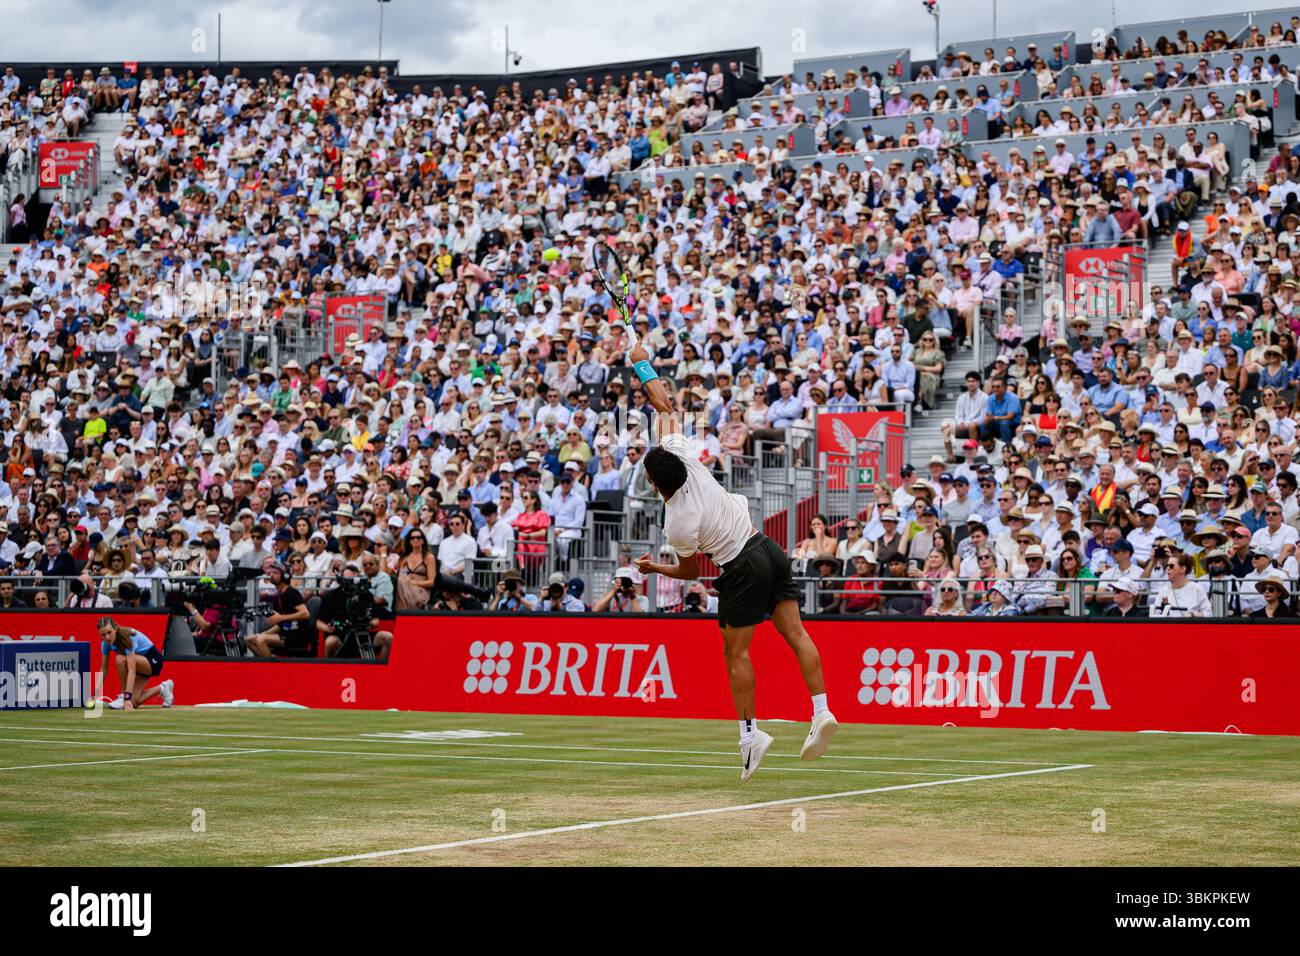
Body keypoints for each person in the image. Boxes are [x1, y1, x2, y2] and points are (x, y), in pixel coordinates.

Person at [628, 342, 835, 781]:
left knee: (735, 653)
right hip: (768, 547)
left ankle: (750, 734)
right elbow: (663, 401)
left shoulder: (677, 522)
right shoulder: (683, 455)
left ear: (652, 482)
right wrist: (641, 361)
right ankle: (821, 710)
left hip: (741, 567)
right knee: (795, 631)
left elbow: (689, 573)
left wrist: (653, 569)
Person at [95, 616, 173, 710]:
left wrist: (126, 697)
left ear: (115, 628)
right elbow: (104, 669)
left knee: (120, 659)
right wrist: (95, 694)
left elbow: (131, 671)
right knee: (134, 702)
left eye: (109, 632)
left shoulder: (127, 638)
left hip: (153, 660)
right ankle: (163, 688)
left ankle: (123, 695)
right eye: (103, 635)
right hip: (138, 663)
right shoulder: (105, 644)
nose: (107, 637)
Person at [246, 563, 311, 657]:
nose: (271, 575)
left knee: (261, 640)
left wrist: (281, 618)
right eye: (271, 572)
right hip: (286, 632)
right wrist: (265, 633)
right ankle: (270, 660)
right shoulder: (279, 595)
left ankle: (271, 669)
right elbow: (281, 624)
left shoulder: (291, 593)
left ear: (285, 576)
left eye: (276, 573)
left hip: (298, 636)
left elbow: (305, 613)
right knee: (250, 640)